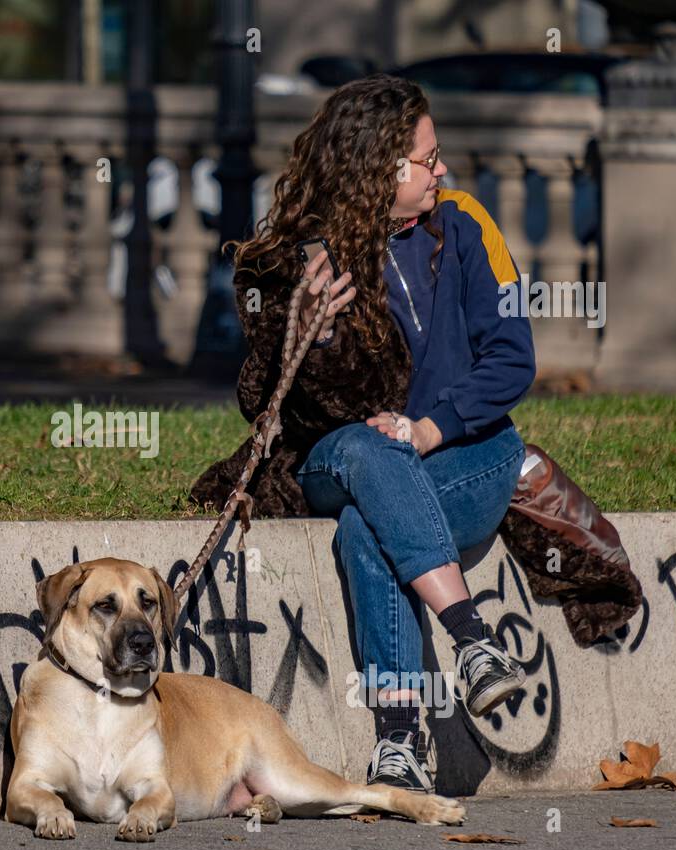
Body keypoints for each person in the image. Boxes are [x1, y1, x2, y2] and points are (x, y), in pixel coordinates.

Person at [227, 74, 536, 794]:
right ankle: (472, 638)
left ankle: (398, 741)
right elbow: (259, 398)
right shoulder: (305, 255)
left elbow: (512, 358)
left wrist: (430, 428)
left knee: (369, 531)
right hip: (345, 456)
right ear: (379, 167)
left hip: (469, 454)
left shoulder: (463, 224)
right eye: (427, 160)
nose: (442, 171)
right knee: (371, 457)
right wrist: (300, 335)